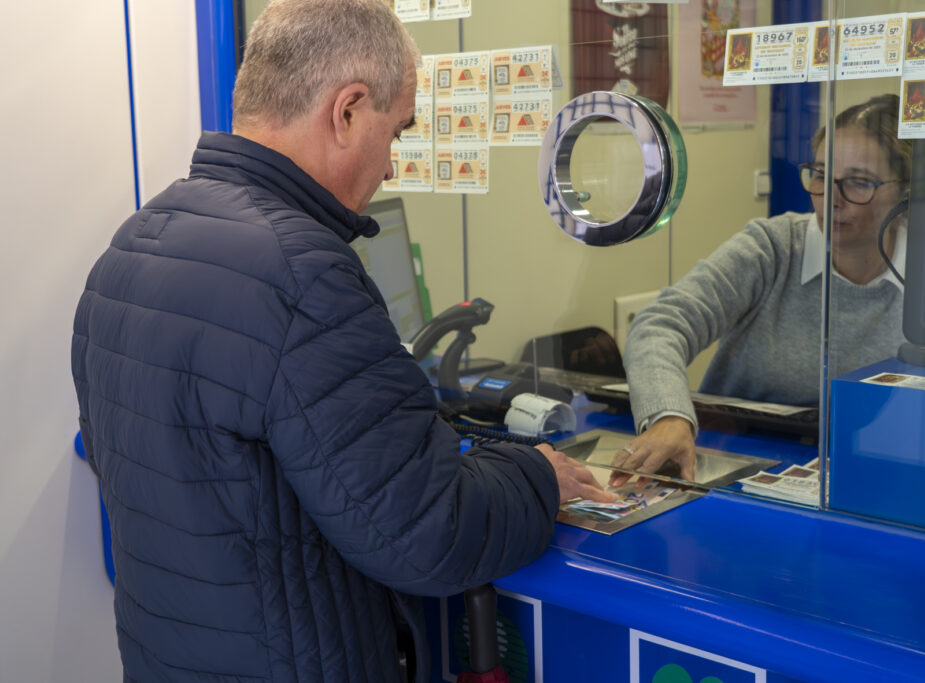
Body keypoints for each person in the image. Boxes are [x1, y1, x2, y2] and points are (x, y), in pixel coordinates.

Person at [71, 1, 613, 681]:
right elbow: (429, 531)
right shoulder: (300, 273)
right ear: (348, 110)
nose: (391, 166)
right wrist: (538, 475)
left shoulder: (132, 245)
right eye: (397, 132)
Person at [611, 94, 910, 487]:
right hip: (735, 464)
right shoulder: (773, 247)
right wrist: (670, 416)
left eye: (858, 182)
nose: (831, 200)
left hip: (872, 475)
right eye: (820, 174)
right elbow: (660, 325)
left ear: (906, 191)